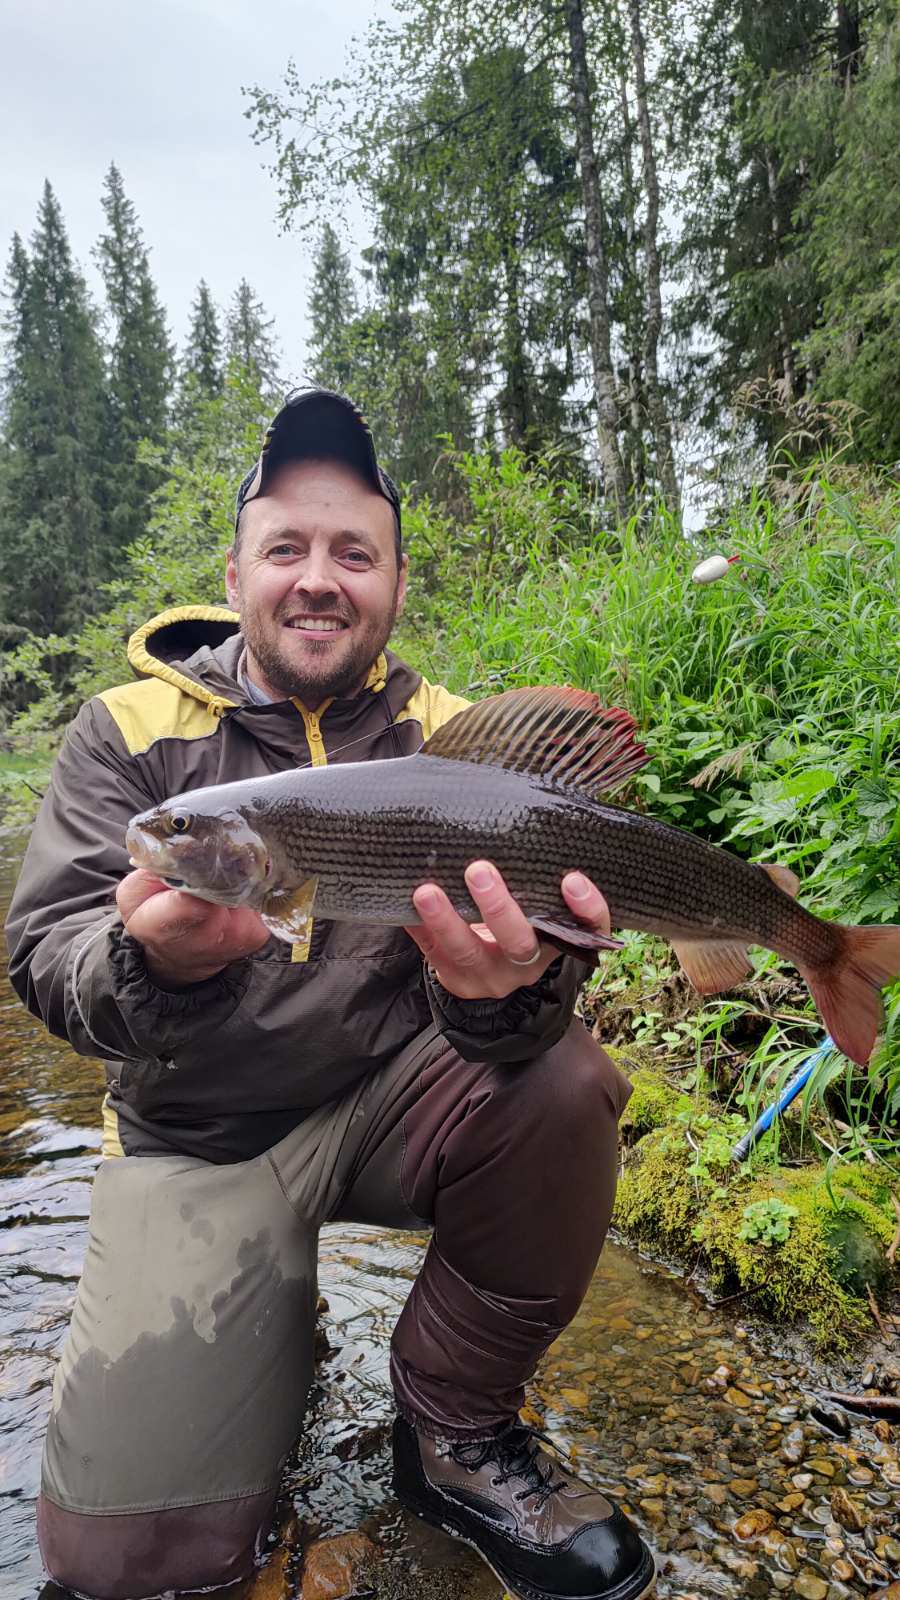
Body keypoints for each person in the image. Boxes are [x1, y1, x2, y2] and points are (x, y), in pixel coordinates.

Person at [6, 388, 655, 1600]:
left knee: (564, 1080)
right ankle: (265, 1320)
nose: (318, 578)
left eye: (353, 552)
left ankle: (453, 1429)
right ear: (239, 570)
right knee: (126, 1568)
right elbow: (45, 954)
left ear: (397, 578)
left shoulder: (458, 743)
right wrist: (155, 964)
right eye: (287, 549)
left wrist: (511, 993)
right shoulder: (131, 737)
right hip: (193, 1141)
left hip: (390, 1108)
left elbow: (528, 1014)